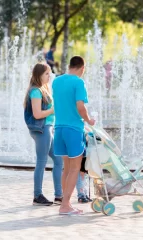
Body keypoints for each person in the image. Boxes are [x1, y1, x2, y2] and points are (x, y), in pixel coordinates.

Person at [52, 56, 95, 215]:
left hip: (59, 128)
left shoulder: (56, 81)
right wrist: (89, 120)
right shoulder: (79, 82)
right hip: (73, 129)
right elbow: (80, 106)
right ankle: (65, 206)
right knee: (75, 168)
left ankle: (66, 203)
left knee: (67, 168)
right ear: (82, 68)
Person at [23, 62, 63, 206]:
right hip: (42, 129)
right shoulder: (35, 91)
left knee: (59, 161)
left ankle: (59, 195)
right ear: (39, 75)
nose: (49, 76)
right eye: (46, 73)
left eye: (49, 73)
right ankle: (37, 195)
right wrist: (53, 110)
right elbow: (37, 114)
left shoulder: (43, 89)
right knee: (41, 162)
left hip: (48, 128)